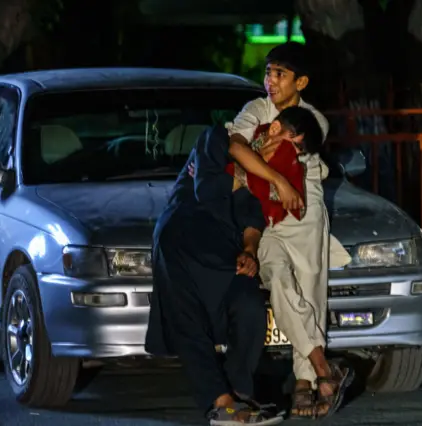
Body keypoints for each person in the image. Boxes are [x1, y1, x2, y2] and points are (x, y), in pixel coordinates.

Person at [226, 43, 354, 419]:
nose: (270, 82)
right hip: (265, 211)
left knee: (309, 290)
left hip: (304, 208)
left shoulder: (313, 119)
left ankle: (304, 384)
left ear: (301, 81)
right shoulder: (255, 109)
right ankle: (323, 371)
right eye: (268, 73)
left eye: (279, 74)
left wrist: (262, 156)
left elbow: (258, 151)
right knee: (279, 280)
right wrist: (277, 180)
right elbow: (237, 148)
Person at [146, 125, 290, 426]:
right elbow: (208, 190)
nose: (275, 149)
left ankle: (238, 389)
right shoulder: (215, 139)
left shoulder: (262, 177)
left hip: (222, 249)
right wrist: (254, 173)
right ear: (260, 135)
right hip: (181, 238)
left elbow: (253, 222)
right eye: (275, 140)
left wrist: (249, 252)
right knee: (189, 322)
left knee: (249, 305)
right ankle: (219, 401)